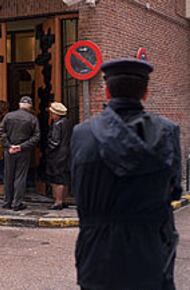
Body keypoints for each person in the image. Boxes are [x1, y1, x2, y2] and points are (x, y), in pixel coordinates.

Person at [71, 58, 182, 290]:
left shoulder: (82, 133)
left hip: (96, 252)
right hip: (150, 249)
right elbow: (175, 190)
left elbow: (78, 189)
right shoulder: (168, 132)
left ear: (107, 92)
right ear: (145, 93)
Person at [0, 96, 40, 211]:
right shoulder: (32, 119)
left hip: (10, 150)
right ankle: (17, 203)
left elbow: (1, 132)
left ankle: (7, 201)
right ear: (30, 106)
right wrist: (21, 146)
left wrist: (9, 145)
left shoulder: (8, 116)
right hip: (23, 151)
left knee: (8, 176)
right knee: (20, 177)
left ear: (19, 104)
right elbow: (36, 137)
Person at [46, 102, 72, 210]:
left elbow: (55, 142)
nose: (51, 115)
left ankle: (58, 201)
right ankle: (64, 200)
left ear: (56, 114)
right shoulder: (68, 122)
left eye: (52, 113)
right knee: (64, 178)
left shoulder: (57, 125)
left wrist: (48, 148)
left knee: (57, 179)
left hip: (57, 155)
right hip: (67, 153)